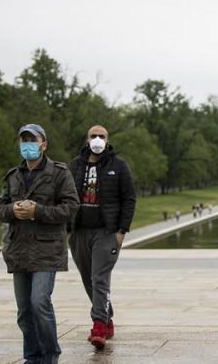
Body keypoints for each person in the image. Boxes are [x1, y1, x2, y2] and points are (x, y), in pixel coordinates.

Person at [0, 124, 79, 364]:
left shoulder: (59, 173)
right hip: (19, 250)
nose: (28, 145)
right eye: (24, 140)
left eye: (33, 140)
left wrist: (37, 211)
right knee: (24, 311)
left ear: (44, 144)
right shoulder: (13, 176)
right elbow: (0, 209)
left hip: (46, 249)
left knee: (39, 302)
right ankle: (32, 357)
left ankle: (50, 356)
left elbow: (71, 207)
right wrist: (12, 209)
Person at [68, 125, 137, 349]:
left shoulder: (119, 165)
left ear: (107, 140)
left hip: (106, 232)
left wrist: (121, 232)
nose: (97, 139)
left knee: (100, 278)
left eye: (102, 136)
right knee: (88, 278)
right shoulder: (75, 165)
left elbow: (129, 199)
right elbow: (67, 197)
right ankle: (107, 318)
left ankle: (98, 325)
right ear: (86, 140)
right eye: (93, 136)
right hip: (80, 232)